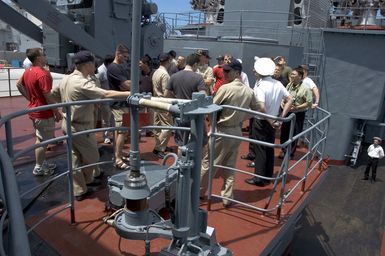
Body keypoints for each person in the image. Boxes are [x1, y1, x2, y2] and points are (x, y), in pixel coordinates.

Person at [51, 50, 131, 201]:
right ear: (87, 64)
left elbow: (52, 94)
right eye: (93, 63)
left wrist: (57, 110)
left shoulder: (66, 79)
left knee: (75, 159)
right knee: (92, 157)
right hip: (81, 127)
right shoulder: (81, 82)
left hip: (68, 123)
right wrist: (129, 93)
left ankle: (80, 189)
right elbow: (105, 94)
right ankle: (86, 181)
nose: (95, 65)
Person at [200, 58, 264, 207]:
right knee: (229, 165)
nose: (224, 73)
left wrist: (212, 126)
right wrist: (242, 118)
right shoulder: (249, 91)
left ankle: (198, 193)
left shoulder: (225, 88)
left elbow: (212, 108)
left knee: (208, 164)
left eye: (228, 71)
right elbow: (258, 108)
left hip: (222, 131)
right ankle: (227, 197)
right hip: (236, 131)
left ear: (237, 73)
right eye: (224, 70)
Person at [244, 58, 293, 187]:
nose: (254, 71)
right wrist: (280, 117)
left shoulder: (260, 86)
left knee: (260, 149)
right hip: (274, 120)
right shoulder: (277, 84)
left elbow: (261, 107)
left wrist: (271, 121)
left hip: (261, 121)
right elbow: (290, 99)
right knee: (270, 148)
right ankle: (267, 176)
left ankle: (259, 178)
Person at [16, 47, 61, 176]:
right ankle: (39, 167)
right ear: (37, 58)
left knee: (40, 138)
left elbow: (19, 85)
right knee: (42, 141)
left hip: (35, 110)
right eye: (43, 54)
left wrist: (30, 99)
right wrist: (56, 111)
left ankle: (42, 162)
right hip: (44, 113)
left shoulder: (28, 71)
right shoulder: (43, 74)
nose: (45, 56)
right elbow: (47, 94)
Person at [165, 53, 207, 146]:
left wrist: (175, 101)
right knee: (201, 142)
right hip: (195, 114)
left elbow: (166, 94)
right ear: (195, 64)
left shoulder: (174, 76)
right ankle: (199, 161)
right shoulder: (198, 77)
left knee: (181, 144)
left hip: (179, 113)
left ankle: (181, 160)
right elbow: (203, 95)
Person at [279, 66, 313, 158]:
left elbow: (309, 103)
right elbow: (284, 96)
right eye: (291, 74)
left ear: (300, 76)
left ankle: (290, 153)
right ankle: (284, 150)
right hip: (288, 112)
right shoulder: (289, 85)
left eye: (294, 74)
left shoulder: (305, 89)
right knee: (284, 132)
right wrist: (282, 103)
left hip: (298, 114)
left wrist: (297, 107)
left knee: (294, 133)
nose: (291, 75)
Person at [107, 44, 131, 170]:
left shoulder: (120, 67)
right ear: (118, 53)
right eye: (125, 56)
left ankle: (118, 155)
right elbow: (126, 85)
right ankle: (117, 159)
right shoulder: (113, 68)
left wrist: (127, 84)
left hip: (123, 104)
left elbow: (126, 84)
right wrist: (130, 84)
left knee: (120, 132)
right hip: (118, 105)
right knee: (121, 132)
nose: (126, 59)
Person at [152, 53, 172, 158]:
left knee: (157, 126)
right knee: (168, 126)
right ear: (168, 61)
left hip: (155, 101)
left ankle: (160, 145)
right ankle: (159, 148)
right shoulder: (165, 74)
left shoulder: (156, 72)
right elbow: (166, 93)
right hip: (163, 103)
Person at [96, 54, 115, 144]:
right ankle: (106, 136)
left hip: (113, 98)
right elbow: (96, 86)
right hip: (105, 99)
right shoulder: (101, 71)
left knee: (114, 118)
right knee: (106, 119)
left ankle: (114, 135)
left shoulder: (112, 69)